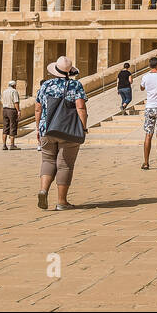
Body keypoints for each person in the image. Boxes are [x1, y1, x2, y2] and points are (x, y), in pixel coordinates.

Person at [36, 56, 88, 211]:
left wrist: (39, 127)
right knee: (65, 165)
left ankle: (43, 190)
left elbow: (38, 108)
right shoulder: (75, 85)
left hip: (47, 128)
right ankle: (61, 201)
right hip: (68, 130)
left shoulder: (45, 85)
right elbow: (80, 108)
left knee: (47, 161)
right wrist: (83, 128)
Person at [1, 79, 21, 149]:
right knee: (13, 126)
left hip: (4, 110)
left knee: (5, 127)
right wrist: (18, 111)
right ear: (14, 85)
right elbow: (16, 102)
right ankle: (12, 145)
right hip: (12, 110)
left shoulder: (4, 91)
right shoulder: (14, 91)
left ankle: (4, 145)